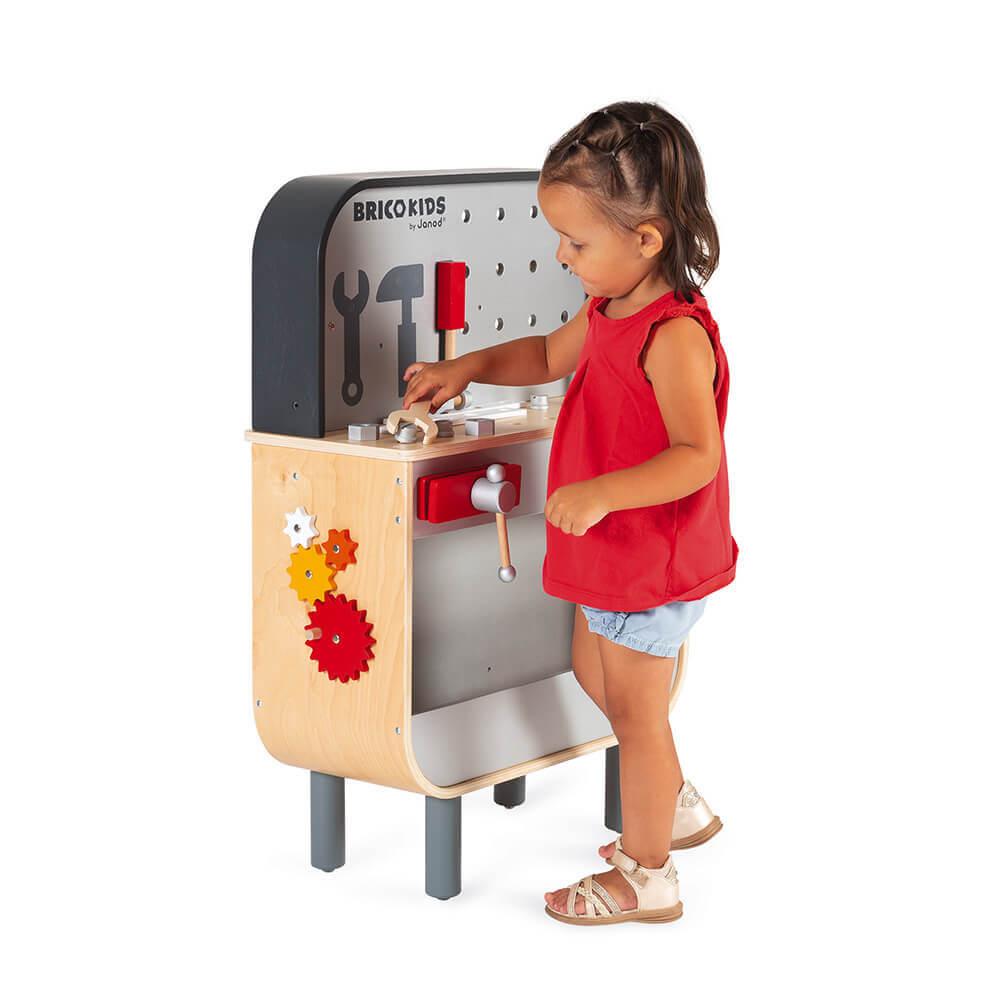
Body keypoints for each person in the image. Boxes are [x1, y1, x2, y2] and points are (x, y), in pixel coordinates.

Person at [401, 100, 738, 926]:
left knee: (636, 717)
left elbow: (697, 454)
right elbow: (548, 355)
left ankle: (647, 875)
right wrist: (468, 366)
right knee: (595, 676)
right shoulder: (606, 311)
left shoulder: (673, 336)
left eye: (577, 243)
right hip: (612, 556)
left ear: (647, 239)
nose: (562, 255)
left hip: (650, 558)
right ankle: (673, 803)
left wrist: (603, 491)